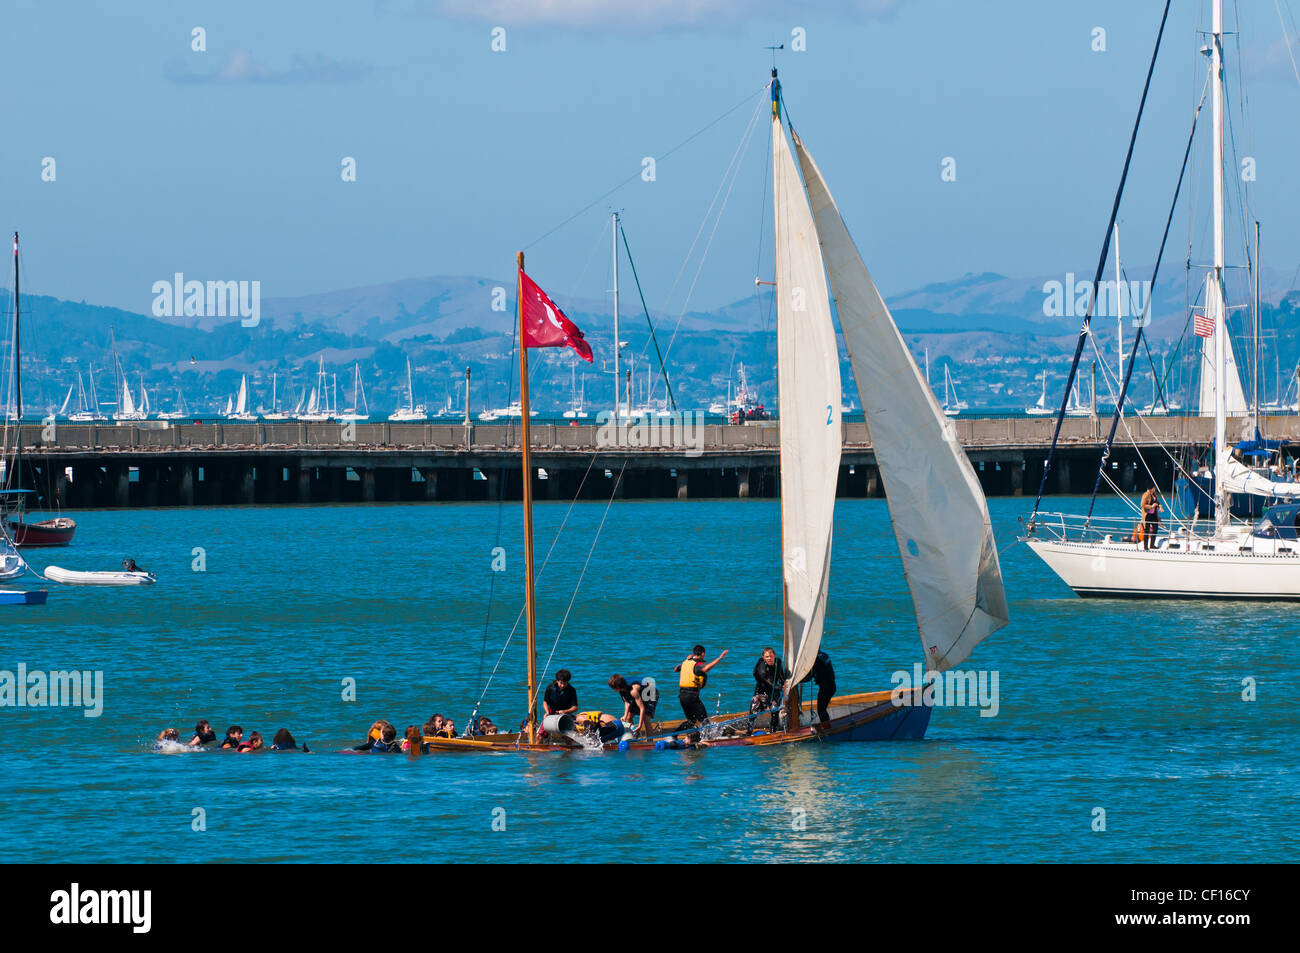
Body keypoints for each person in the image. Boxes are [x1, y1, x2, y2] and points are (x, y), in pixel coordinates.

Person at [674, 645, 727, 727]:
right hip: (691, 696)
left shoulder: (685, 663)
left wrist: (686, 660)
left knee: (691, 721)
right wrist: (720, 658)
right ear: (702, 654)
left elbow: (675, 669)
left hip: (682, 696)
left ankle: (674, 735)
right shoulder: (697, 665)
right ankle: (709, 737)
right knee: (704, 720)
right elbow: (706, 668)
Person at [748, 647, 788, 733]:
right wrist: (780, 688)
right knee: (753, 711)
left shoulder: (778, 662)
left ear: (774, 656)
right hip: (761, 691)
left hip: (774, 691)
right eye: (767, 657)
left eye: (771, 656)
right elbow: (770, 682)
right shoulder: (761, 668)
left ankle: (773, 731)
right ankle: (749, 731)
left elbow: (781, 675)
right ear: (763, 657)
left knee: (775, 711)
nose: (769, 658)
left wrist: (784, 683)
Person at [799, 650, 837, 728]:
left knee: (821, 710)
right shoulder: (823, 655)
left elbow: (809, 677)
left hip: (825, 688)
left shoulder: (816, 660)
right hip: (831, 686)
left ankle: (827, 728)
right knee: (822, 709)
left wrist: (796, 680)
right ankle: (826, 726)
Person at [1140, 485, 1162, 551]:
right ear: (1151, 488)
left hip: (1154, 515)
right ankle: (1145, 546)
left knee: (1155, 529)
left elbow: (1156, 502)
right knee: (1146, 531)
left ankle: (1152, 545)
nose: (1155, 489)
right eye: (1154, 488)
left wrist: (1160, 506)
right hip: (1147, 515)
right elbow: (1142, 505)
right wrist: (1151, 506)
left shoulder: (1154, 494)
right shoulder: (1145, 495)